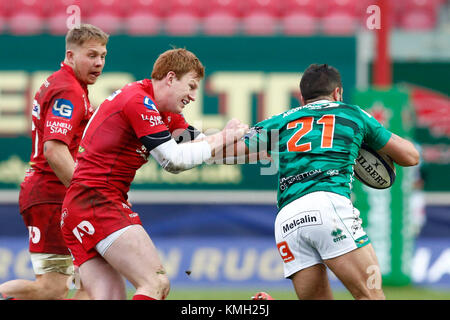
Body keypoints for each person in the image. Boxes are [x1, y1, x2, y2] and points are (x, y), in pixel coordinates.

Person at [60, 48, 248, 300]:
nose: (193, 96)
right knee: (155, 283)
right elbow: (173, 160)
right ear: (170, 78)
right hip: (97, 201)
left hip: (80, 207)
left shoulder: (164, 113)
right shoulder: (139, 100)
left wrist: (274, 149)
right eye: (191, 86)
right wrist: (225, 135)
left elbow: (212, 149)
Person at [225, 64, 419, 300]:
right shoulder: (352, 114)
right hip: (328, 205)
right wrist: (363, 143)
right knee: (372, 296)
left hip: (288, 219)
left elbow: (229, 153)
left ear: (302, 98)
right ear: (338, 93)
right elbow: (410, 157)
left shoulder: (280, 120)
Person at [0, 24, 109, 300]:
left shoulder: (62, 82)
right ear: (71, 56)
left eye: (103, 56)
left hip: (48, 193)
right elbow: (54, 150)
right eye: (92, 55)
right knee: (52, 288)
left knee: (90, 283)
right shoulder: (69, 90)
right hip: (51, 195)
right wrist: (87, 192)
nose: (99, 63)